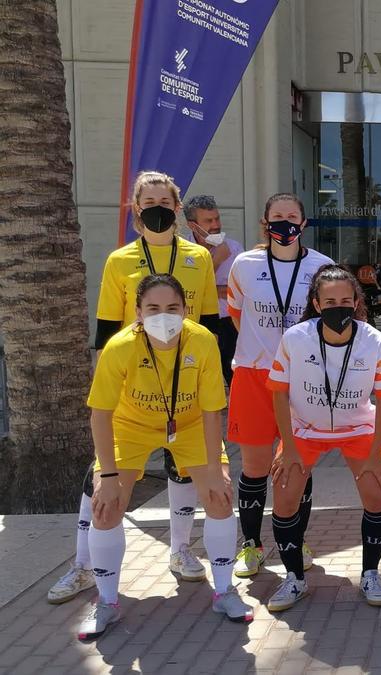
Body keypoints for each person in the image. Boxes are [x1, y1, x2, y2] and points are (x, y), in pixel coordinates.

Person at [50, 171, 221, 605]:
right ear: (136, 210)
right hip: (134, 385)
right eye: (149, 202)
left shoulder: (198, 258)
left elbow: (211, 323)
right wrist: (107, 383)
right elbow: (107, 329)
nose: (158, 208)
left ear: (178, 208)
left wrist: (218, 382)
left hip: (186, 382)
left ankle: (181, 551)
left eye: (166, 201)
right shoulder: (120, 260)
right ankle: (83, 566)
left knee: (185, 471)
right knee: (101, 483)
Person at [78, 275, 250, 639]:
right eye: (153, 308)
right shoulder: (120, 347)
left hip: (188, 425)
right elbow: (101, 414)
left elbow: (210, 412)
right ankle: (107, 602)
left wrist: (215, 468)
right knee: (106, 507)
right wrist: (107, 477)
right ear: (138, 313)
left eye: (172, 308)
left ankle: (224, 591)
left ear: (186, 310)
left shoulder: (202, 341)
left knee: (220, 499)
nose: (163, 315)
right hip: (131, 426)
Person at [263, 265, 381, 611]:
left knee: (375, 497)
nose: (338, 306)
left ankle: (370, 573)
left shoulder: (375, 341)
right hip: (304, 431)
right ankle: (295, 579)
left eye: (345, 300)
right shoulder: (295, 338)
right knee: (284, 499)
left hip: (358, 430)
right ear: (316, 303)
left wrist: (374, 453)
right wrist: (289, 447)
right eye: (329, 300)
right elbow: (278, 393)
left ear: (356, 301)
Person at [225, 194, 333, 579]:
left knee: (298, 464)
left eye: (292, 217)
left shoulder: (322, 266)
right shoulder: (245, 264)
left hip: (304, 379)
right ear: (265, 223)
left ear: (303, 224)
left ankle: (295, 540)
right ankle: (251, 546)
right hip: (254, 375)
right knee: (254, 469)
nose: (284, 223)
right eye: (277, 217)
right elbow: (238, 315)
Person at [184, 195, 244, 383]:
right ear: (193, 225)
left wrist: (208, 289)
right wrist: (215, 261)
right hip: (195, 320)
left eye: (217, 218)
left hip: (227, 322)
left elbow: (239, 292)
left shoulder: (234, 249)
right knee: (197, 375)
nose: (215, 225)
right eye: (208, 221)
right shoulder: (182, 250)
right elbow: (185, 291)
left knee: (233, 375)